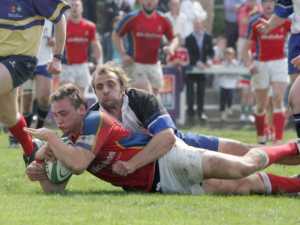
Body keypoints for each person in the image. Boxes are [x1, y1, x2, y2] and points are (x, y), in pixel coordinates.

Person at [25, 83, 300, 195]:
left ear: (82, 109)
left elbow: (77, 164)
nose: (58, 120)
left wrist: (49, 139)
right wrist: (41, 174)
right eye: (55, 116)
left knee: (241, 165)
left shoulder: (95, 120)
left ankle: (293, 146)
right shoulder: (67, 141)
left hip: (168, 159)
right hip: (159, 185)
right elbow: (56, 190)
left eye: (63, 114)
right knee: (241, 187)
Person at [90, 63, 254, 155]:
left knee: (241, 151)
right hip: (152, 169)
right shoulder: (92, 118)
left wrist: (133, 164)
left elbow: (168, 137)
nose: (105, 90)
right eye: (99, 87)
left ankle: (276, 154)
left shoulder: (141, 99)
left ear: (122, 87)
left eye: (111, 84)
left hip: (179, 145)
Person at [0, 0, 69, 164]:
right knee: (9, 117)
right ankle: (32, 150)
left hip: (21, 60)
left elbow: (60, 19)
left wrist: (57, 57)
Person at [242, 0, 291, 144]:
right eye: (266, 3)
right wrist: (250, 64)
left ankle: (278, 140)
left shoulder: (285, 21)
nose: (269, 6)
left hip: (280, 62)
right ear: (261, 6)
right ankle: (261, 138)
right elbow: (246, 49)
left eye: (272, 3)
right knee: (261, 105)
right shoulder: (255, 22)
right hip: (260, 64)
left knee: (277, 98)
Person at [113, 0, 179, 95]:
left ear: (157, 2)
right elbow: (116, 34)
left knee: (153, 99)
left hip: (155, 65)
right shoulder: (132, 17)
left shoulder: (163, 19)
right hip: (135, 65)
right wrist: (123, 54)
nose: (149, 2)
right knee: (145, 92)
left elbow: (174, 39)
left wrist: (171, 48)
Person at [258, 0, 300, 140]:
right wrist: (269, 24)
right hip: (296, 40)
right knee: (295, 98)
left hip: (282, 57)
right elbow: (284, 8)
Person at [60, 0, 102, 95]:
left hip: (83, 66)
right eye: (72, 5)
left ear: (82, 8)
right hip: (66, 66)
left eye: (77, 5)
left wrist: (99, 63)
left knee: (81, 98)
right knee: (67, 96)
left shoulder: (90, 26)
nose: (74, 8)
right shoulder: (63, 25)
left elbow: (95, 44)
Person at [22, 19, 56, 129]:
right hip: (26, 60)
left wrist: (55, 40)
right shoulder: (26, 11)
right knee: (26, 101)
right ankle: (25, 133)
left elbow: (61, 35)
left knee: (45, 98)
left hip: (44, 62)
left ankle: (38, 129)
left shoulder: (52, 15)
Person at [184, 16, 214, 122]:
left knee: (201, 92)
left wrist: (209, 60)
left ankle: (201, 112)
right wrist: (197, 62)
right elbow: (188, 54)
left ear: (202, 25)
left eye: (199, 24)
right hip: (191, 69)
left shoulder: (208, 37)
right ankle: (190, 112)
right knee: (190, 92)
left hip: (203, 70)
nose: (197, 26)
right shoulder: (188, 38)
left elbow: (211, 52)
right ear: (193, 25)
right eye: (195, 24)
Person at [218, 48, 240, 121]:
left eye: (230, 55)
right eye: (227, 55)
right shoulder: (222, 63)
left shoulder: (236, 63)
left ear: (233, 55)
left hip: (231, 84)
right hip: (223, 84)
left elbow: (238, 74)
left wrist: (237, 82)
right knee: (222, 100)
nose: (228, 56)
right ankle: (222, 113)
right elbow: (219, 73)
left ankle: (229, 108)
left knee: (230, 98)